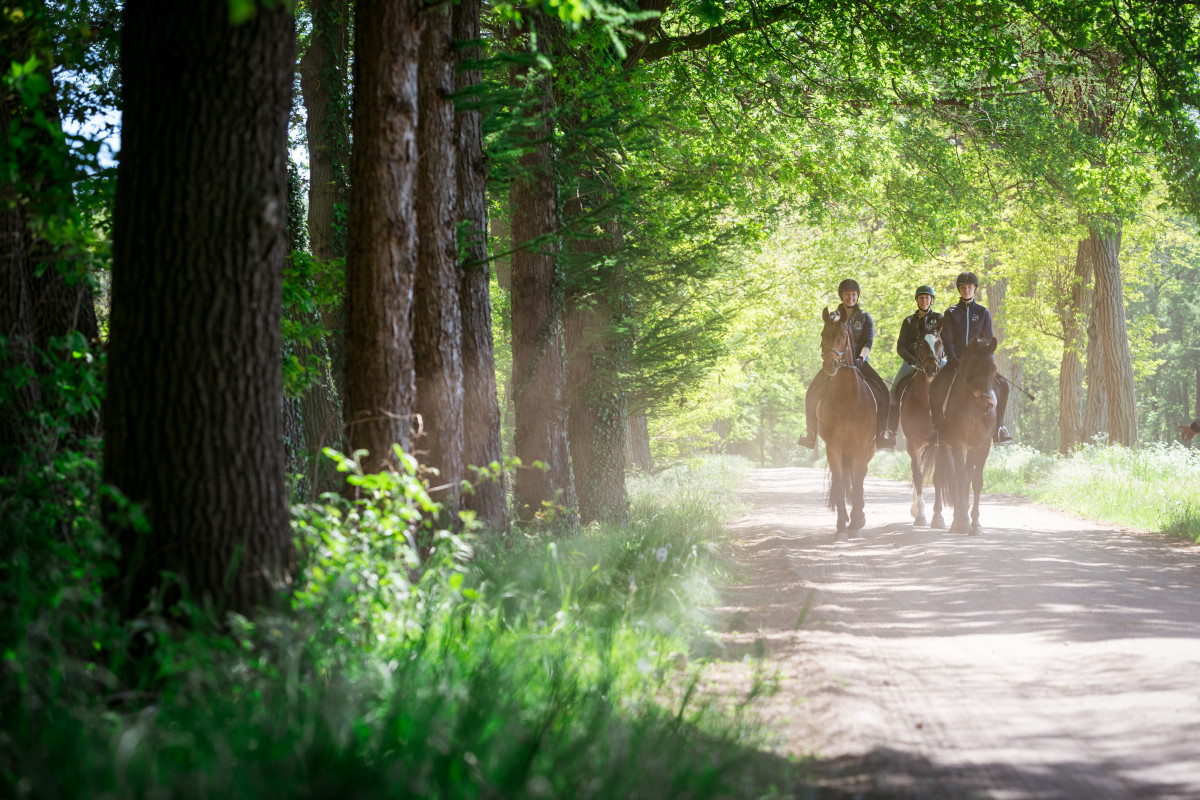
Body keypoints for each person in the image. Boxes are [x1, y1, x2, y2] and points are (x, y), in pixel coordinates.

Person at [797, 278, 893, 450]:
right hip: (834, 363)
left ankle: (881, 434)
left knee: (884, 391)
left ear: (858, 296)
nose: (851, 298)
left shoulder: (865, 317)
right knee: (811, 392)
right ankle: (810, 434)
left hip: (860, 362)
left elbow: (868, 342)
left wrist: (861, 358)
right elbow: (828, 338)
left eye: (854, 295)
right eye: (847, 294)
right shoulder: (833, 317)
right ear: (841, 296)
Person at [929, 271, 1013, 445]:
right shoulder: (951, 312)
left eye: (969, 287)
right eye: (963, 287)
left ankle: (999, 427)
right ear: (959, 290)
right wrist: (953, 358)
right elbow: (948, 339)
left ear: (975, 288)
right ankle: (939, 430)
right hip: (957, 362)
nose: (966, 290)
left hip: (979, 364)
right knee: (935, 385)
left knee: (1003, 385)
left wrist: (984, 359)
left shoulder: (983, 312)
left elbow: (988, 338)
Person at [884, 285, 942, 442]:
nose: (924, 300)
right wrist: (911, 360)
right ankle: (891, 432)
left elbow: (945, 341)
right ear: (917, 300)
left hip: (936, 361)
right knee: (893, 393)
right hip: (913, 362)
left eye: (927, 298)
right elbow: (900, 346)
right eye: (921, 298)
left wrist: (940, 358)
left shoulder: (939, 318)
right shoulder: (909, 321)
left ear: (932, 300)